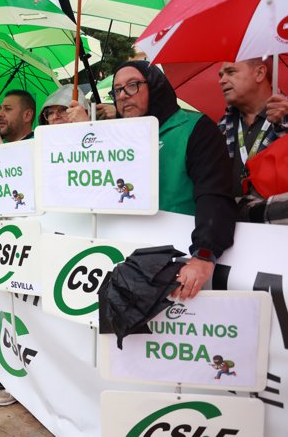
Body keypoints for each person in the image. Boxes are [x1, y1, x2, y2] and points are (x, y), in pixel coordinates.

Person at [109, 60, 236, 301]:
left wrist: (204, 254)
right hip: (126, 259)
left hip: (179, 262)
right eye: (117, 90)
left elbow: (214, 194)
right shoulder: (115, 136)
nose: (123, 95)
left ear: (155, 86)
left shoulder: (196, 127)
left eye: (132, 86)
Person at [217, 58, 288, 224]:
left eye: (230, 72)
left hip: (278, 232)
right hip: (230, 229)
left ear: (260, 73)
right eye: (221, 75)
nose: (221, 80)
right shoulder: (220, 126)